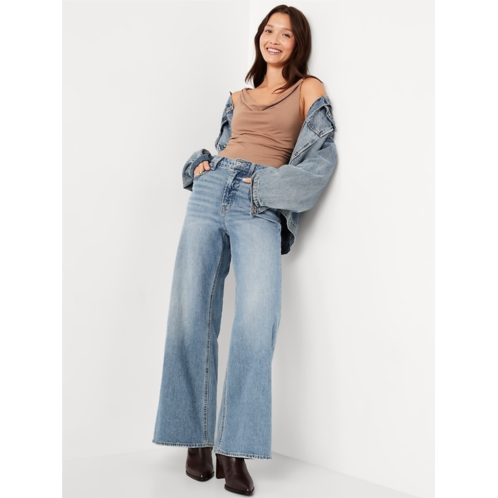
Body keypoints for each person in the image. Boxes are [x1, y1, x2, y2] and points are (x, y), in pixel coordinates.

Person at [153, 4, 337, 496]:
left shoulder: (308, 89)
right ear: (259, 37)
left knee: (256, 323)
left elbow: (321, 161)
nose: (274, 39)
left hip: (260, 199)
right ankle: (195, 440)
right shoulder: (237, 97)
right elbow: (225, 147)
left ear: (298, 44)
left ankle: (234, 450)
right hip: (212, 191)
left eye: (286, 34)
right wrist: (201, 167)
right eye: (268, 30)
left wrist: (267, 188)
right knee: (190, 313)